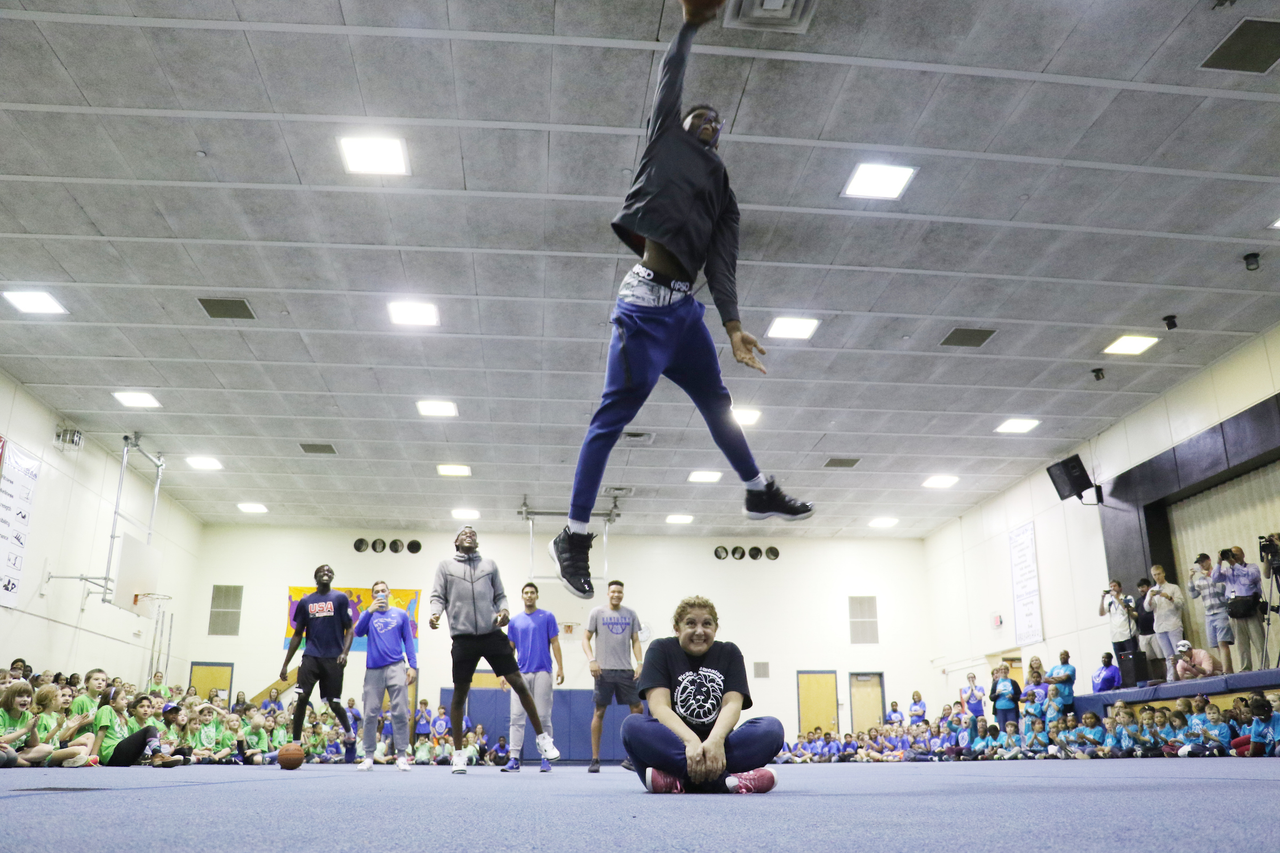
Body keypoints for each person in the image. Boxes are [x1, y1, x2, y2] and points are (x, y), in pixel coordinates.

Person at [547, 0, 814, 601]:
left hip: (685, 312)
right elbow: (671, 80)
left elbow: (722, 263)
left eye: (718, 120)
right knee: (611, 418)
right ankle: (574, 534)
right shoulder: (664, 139)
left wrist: (735, 326)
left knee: (720, 404)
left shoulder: (724, 191)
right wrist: (690, 26)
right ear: (683, 122)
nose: (710, 120)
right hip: (644, 305)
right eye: (702, 114)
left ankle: (756, 488)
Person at [429, 526, 559, 774]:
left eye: (473, 532)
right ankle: (458, 755)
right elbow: (438, 596)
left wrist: (505, 611)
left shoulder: (489, 565)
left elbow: (500, 596)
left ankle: (543, 739)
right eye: (464, 532)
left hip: (491, 634)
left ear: (476, 542)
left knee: (519, 684)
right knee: (459, 695)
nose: (469, 533)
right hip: (463, 637)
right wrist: (435, 613)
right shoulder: (445, 567)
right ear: (456, 541)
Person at [621, 595, 782, 793]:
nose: (699, 631)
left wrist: (715, 741)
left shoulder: (729, 653)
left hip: (720, 747)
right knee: (632, 727)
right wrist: (691, 742)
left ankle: (677, 782)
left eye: (707, 623)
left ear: (715, 628)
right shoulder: (660, 649)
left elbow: (732, 704)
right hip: (674, 746)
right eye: (690, 623)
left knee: (772, 729)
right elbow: (659, 707)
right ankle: (728, 782)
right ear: (677, 628)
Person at [280, 564, 356, 746]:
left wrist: (345, 653)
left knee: (334, 703)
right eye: (322, 571)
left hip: (334, 657)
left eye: (330, 571)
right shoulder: (306, 602)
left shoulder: (340, 598)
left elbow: (350, 629)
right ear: (315, 577)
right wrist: (285, 664)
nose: (326, 573)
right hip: (311, 656)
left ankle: (349, 732)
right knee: (302, 699)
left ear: (333, 577)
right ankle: (296, 744)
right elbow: (297, 634)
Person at [354, 580, 418, 772]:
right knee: (370, 714)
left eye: (383, 590)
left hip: (396, 666)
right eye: (376, 592)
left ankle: (402, 756)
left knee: (399, 712)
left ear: (389, 593)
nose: (380, 594)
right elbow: (357, 632)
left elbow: (408, 640)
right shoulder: (369, 614)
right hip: (374, 669)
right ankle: (368, 757)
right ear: (373, 595)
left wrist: (413, 666)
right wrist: (369, 611)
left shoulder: (400, 615)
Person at [500, 582, 563, 774]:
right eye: (526, 593)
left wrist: (560, 667)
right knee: (516, 717)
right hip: (519, 674)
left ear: (536, 596)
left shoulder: (547, 617)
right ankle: (514, 759)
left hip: (543, 671)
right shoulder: (514, 621)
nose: (529, 596)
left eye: (532, 593)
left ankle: (545, 758)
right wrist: (504, 672)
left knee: (543, 717)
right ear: (522, 596)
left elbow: (555, 643)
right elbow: (509, 649)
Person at [583, 579, 644, 773]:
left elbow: (635, 640)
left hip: (625, 670)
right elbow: (585, 638)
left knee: (638, 708)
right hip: (604, 670)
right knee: (599, 712)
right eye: (613, 592)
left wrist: (640, 663)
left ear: (622, 594)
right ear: (608, 593)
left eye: (619, 592)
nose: (616, 594)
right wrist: (592, 659)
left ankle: (633, 756)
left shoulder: (630, 614)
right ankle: (595, 759)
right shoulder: (597, 613)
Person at [1212, 546, 1266, 672]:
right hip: (1235, 609)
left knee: (1259, 641)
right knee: (1242, 644)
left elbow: (1251, 577)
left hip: (1251, 607)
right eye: (1232, 554)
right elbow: (1214, 578)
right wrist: (1219, 561)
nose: (1234, 556)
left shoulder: (1252, 567)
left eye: (1236, 554)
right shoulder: (1227, 571)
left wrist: (1233, 563)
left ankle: (1264, 667)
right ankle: (1245, 669)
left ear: (1243, 554)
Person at [1187, 553, 1234, 674]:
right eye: (1199, 563)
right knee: (1217, 645)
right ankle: (1226, 670)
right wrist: (1190, 579)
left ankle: (1228, 672)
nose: (1201, 564)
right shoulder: (1200, 580)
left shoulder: (1219, 575)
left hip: (1221, 611)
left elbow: (1223, 590)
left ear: (1209, 560)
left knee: (1223, 642)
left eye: (1203, 561)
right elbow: (1193, 594)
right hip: (1209, 615)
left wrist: (1209, 576)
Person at [1145, 565, 1186, 681]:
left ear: (1163, 574)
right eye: (1154, 575)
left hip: (1173, 625)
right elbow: (1147, 609)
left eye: (1159, 574)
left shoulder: (1173, 587)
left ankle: (1182, 676)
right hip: (1159, 627)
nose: (1157, 577)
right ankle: (1171, 679)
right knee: (1168, 656)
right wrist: (1150, 599)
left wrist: (1169, 597)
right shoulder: (1151, 591)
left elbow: (1181, 604)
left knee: (1179, 654)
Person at [1132, 578, 1164, 682]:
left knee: (1161, 657)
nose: (1141, 589)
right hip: (1143, 634)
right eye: (1139, 587)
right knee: (1151, 659)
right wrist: (1128, 611)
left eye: (1143, 587)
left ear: (1149, 587)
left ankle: (1166, 678)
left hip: (1154, 632)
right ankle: (1157, 679)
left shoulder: (1153, 598)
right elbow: (1136, 615)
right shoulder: (1138, 601)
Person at [1100, 580, 1139, 660]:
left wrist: (1117, 598)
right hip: (1116, 637)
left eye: (1114, 586)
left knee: (1132, 661)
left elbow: (1128, 609)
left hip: (1128, 635)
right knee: (1122, 662)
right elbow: (1101, 613)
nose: (1112, 588)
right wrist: (1102, 599)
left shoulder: (1127, 598)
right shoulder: (1109, 602)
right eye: (1111, 587)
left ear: (1120, 588)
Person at [1045, 651, 1077, 718]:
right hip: (1055, 698)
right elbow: (1045, 679)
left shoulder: (1071, 668)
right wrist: (1059, 679)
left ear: (1068, 657)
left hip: (1066, 698)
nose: (1063, 656)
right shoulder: (1054, 668)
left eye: (1065, 655)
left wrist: (1053, 678)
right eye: (1061, 655)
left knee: (1064, 717)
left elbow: (1064, 677)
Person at [989, 665, 1021, 730]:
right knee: (1002, 729)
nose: (1003, 671)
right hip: (1000, 709)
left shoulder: (1013, 682)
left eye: (1005, 669)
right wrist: (996, 694)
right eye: (1001, 669)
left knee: (1013, 728)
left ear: (1008, 671)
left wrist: (1012, 697)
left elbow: (1020, 696)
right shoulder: (995, 683)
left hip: (1011, 709)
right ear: (999, 671)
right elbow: (991, 697)